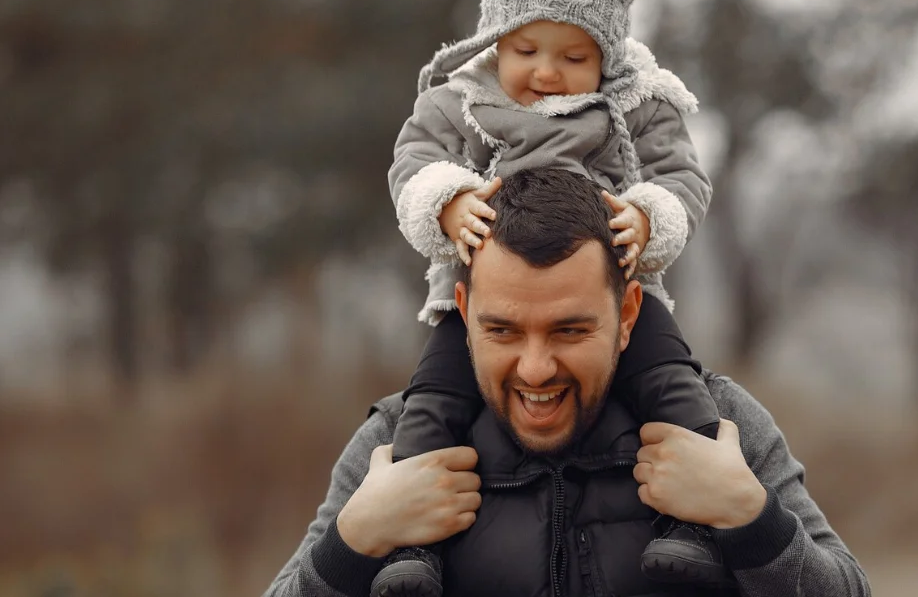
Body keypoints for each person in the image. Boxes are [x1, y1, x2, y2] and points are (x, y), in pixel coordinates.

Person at [264, 168, 871, 597]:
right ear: (463, 313)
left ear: (628, 314)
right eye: (502, 330)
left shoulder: (723, 426)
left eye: (570, 331)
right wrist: (354, 544)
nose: (535, 368)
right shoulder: (391, 447)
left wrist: (749, 516)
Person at [385, 0, 722, 593]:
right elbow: (413, 164)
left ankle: (693, 526)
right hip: (480, 297)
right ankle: (412, 550)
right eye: (525, 51)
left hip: (613, 282)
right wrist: (446, 202)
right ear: (494, 42)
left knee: (676, 391)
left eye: (574, 56)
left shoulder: (636, 104)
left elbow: (684, 178)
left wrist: (649, 215)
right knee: (431, 410)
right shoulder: (460, 100)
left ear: (608, 55)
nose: (546, 73)